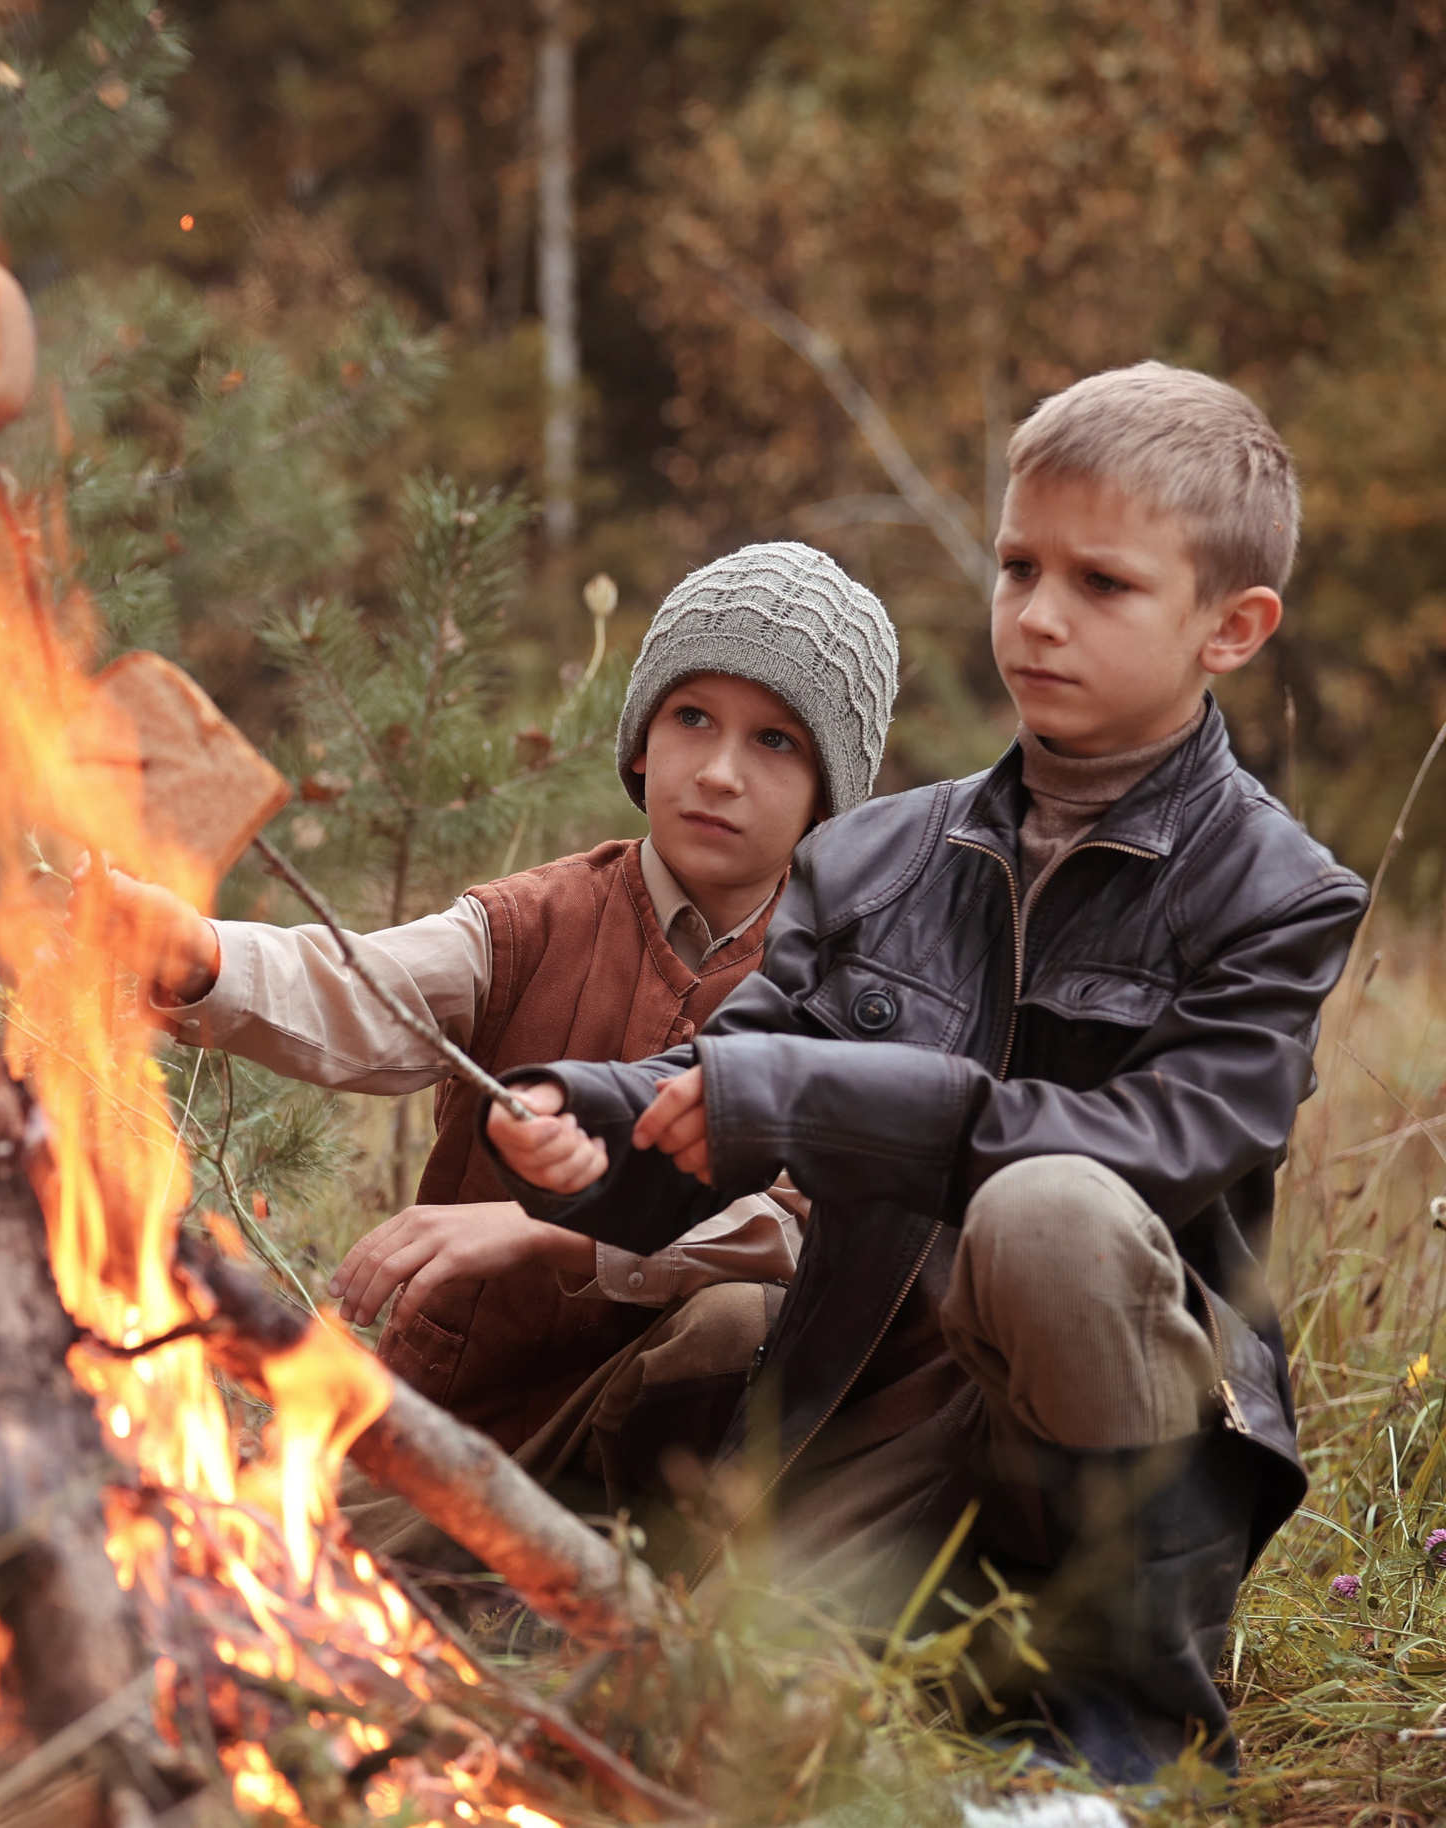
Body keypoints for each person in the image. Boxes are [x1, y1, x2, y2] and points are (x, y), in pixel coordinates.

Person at [478, 363, 1367, 1781]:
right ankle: (916, 1687)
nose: (1039, 613)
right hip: (870, 1417)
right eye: (1019, 565)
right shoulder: (874, 854)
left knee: (1051, 1210)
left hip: (1114, 1446)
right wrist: (585, 1122)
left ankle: (1124, 1728)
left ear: (1233, 627)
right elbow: (734, 1075)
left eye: (1103, 583)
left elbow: (1161, 1141)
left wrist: (809, 1101)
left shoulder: (1279, 892)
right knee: (686, 1746)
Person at [87, 542, 900, 1563]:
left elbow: (796, 1230)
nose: (721, 771)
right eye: (692, 717)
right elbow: (359, 993)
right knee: (277, 1575)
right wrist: (202, 957)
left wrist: (543, 1231)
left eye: (776, 742)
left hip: (662, 1451)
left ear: (828, 798)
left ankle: (646, 1617)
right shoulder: (530, 923)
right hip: (461, 1430)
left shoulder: (845, 993)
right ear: (642, 740)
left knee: (741, 1319)